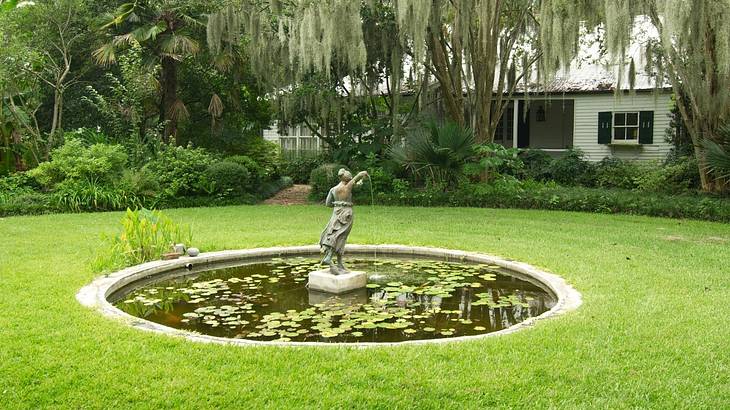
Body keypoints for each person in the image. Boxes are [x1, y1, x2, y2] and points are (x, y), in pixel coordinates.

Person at [319, 168, 368, 274]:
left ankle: (339, 263)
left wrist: (338, 203)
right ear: (348, 178)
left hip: (336, 212)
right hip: (346, 214)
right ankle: (330, 258)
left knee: (333, 233)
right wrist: (363, 174)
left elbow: (328, 204)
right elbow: (357, 177)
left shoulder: (333, 189)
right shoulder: (348, 186)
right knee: (341, 237)